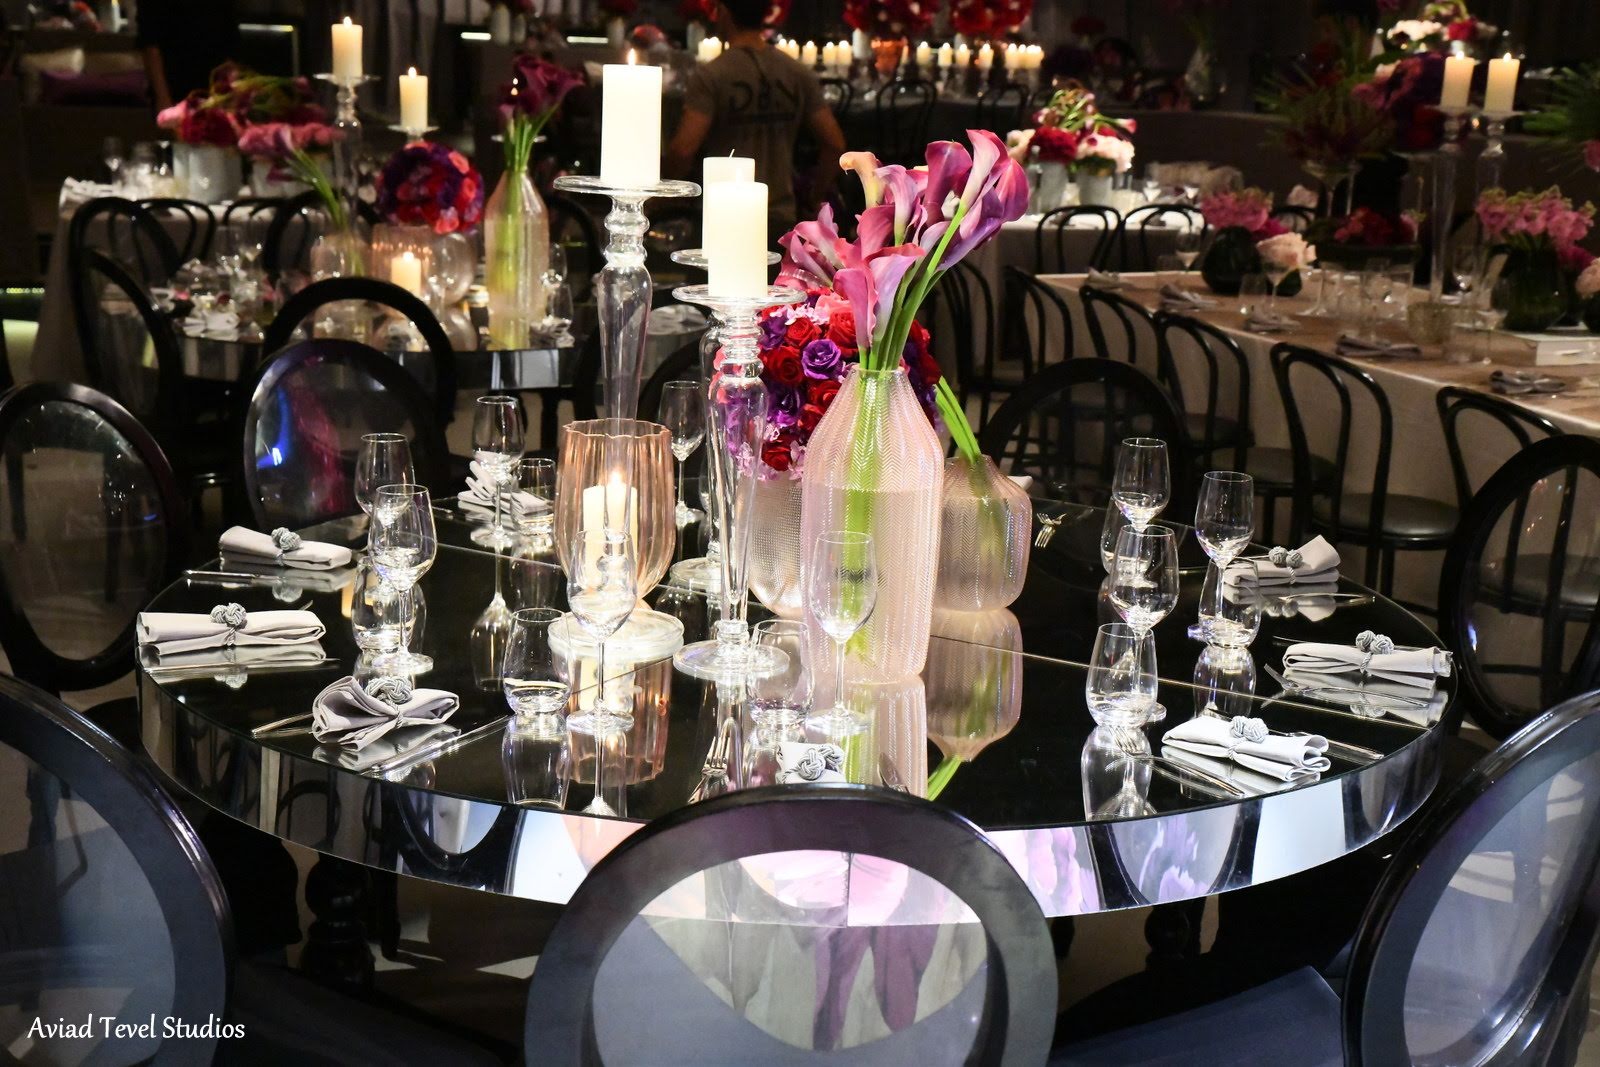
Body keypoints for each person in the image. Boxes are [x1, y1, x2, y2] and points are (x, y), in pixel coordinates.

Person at [665, 0, 847, 237]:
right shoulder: (796, 71)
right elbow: (835, 144)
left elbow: (683, 149)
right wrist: (815, 196)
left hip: (723, 216)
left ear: (723, 12)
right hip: (781, 214)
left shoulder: (712, 75)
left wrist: (662, 195)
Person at [137, 0, 240, 109]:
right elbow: (150, 46)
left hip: (213, 86)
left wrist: (231, 89)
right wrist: (163, 98)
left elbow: (230, 41)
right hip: (175, 85)